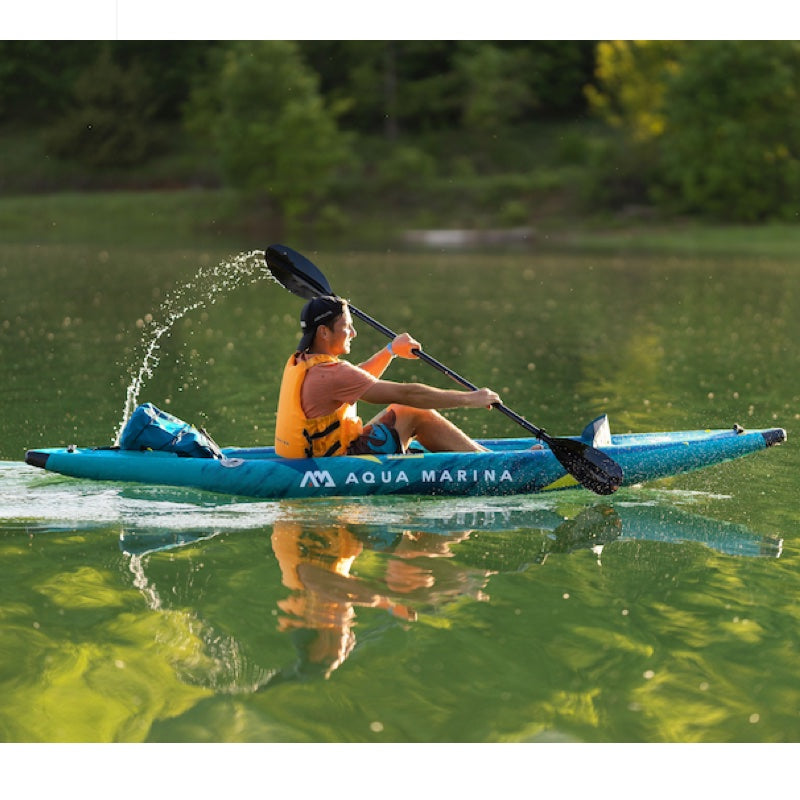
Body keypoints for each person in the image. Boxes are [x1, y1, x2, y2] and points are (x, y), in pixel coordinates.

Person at [274, 294, 501, 459]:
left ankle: (483, 455)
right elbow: (408, 394)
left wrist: (390, 351)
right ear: (324, 332)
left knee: (404, 410)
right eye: (347, 327)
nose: (353, 333)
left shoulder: (304, 361)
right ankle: (491, 463)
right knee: (411, 410)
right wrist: (471, 399)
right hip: (336, 463)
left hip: (315, 455)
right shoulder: (332, 374)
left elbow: (356, 379)